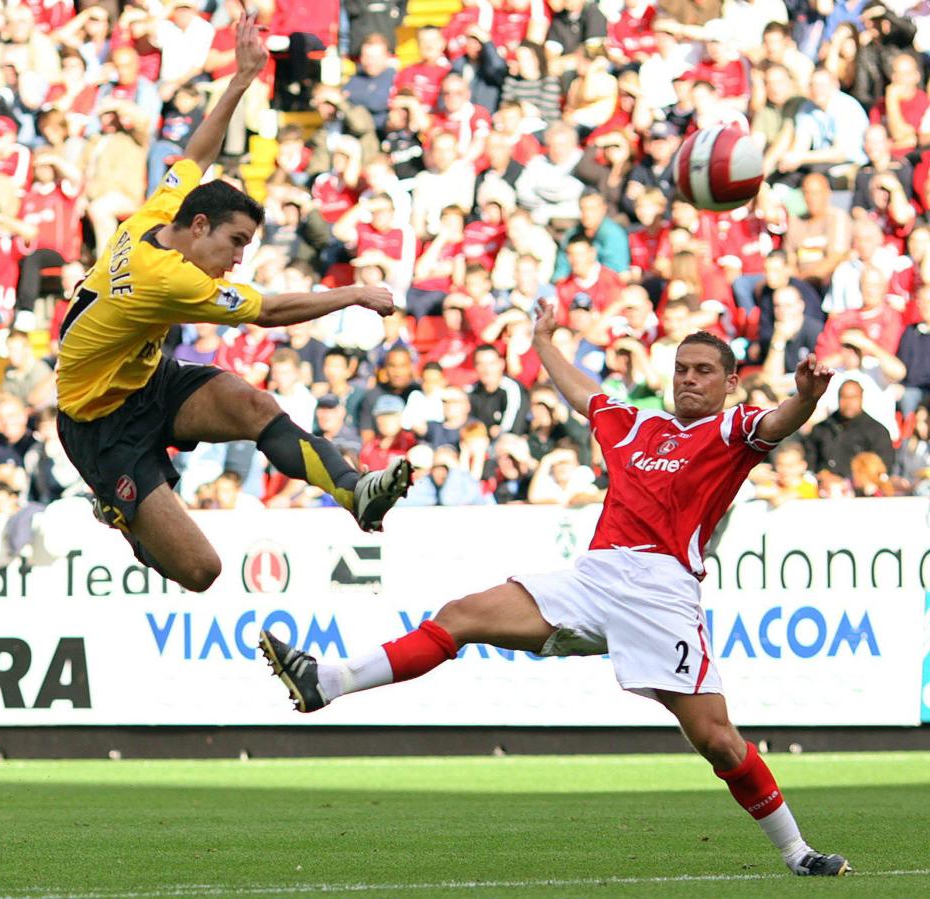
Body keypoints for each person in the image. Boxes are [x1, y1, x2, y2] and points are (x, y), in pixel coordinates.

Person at [260, 302, 850, 879]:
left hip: (662, 594)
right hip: (592, 579)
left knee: (719, 742)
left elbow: (780, 422)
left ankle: (798, 853)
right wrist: (544, 342)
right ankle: (328, 682)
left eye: (704, 371)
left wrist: (806, 396)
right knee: (460, 614)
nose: (690, 379)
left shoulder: (733, 429)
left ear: (730, 383)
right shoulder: (636, 424)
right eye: (682, 368)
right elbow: (581, 391)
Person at [54, 15, 412, 593]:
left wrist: (242, 81)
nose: (239, 258)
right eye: (236, 243)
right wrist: (353, 292)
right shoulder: (167, 278)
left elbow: (196, 153)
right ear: (200, 227)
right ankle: (119, 510)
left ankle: (354, 490)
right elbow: (268, 312)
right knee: (201, 572)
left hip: (147, 380)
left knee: (252, 403)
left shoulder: (156, 216)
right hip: (98, 423)